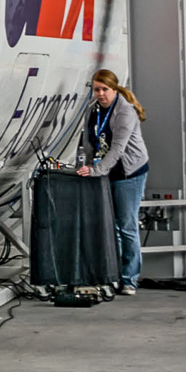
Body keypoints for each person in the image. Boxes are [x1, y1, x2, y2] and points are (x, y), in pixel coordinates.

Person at [76, 69, 149, 296]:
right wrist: (85, 165)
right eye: (96, 89)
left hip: (129, 172)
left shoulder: (125, 112)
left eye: (104, 89)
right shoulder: (92, 109)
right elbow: (88, 141)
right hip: (106, 171)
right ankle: (112, 275)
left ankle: (129, 279)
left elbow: (118, 149)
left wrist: (96, 170)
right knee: (110, 226)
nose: (100, 94)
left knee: (126, 225)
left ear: (114, 89)